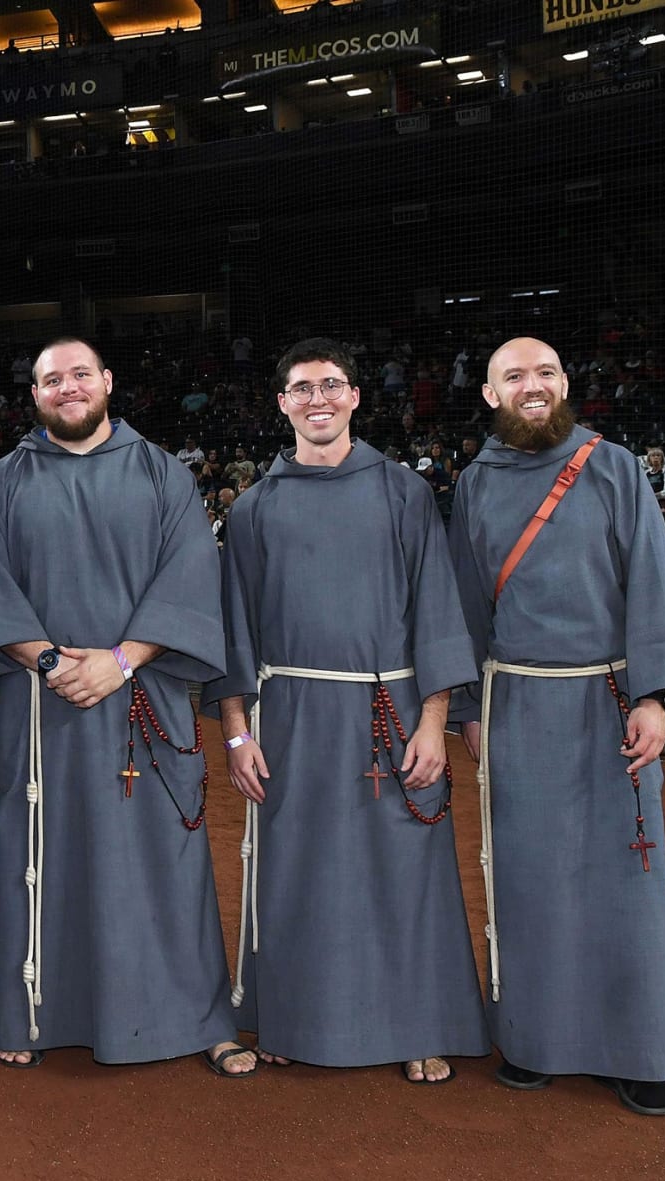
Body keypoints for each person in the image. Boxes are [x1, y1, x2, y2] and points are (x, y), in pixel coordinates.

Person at [0, 338, 250, 1073]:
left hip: (142, 699)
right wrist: (53, 660)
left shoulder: (163, 475)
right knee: (44, 856)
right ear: (34, 396)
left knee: (164, 856)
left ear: (108, 382)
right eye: (50, 379)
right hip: (42, 701)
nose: (67, 388)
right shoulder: (0, 482)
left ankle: (194, 1018)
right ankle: (34, 1017)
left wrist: (122, 661)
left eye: (79, 374)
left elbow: (189, 575)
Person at [449, 337, 665, 1117]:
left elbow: (651, 580)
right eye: (514, 377)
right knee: (528, 880)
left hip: (607, 701)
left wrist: (655, 696)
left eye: (545, 374)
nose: (532, 387)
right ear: (492, 394)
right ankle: (536, 1042)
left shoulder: (614, 466)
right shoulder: (475, 483)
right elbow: (466, 601)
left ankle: (633, 1053)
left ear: (563, 384)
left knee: (623, 879)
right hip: (516, 705)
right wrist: (467, 706)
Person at [208, 338, 486, 1086]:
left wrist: (434, 719)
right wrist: (237, 734)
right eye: (302, 389)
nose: (318, 400)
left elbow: (436, 610)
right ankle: (294, 1018)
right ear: (282, 404)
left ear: (356, 396)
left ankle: (419, 1023)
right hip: (290, 714)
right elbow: (234, 631)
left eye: (331, 385)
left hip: (391, 711)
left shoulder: (403, 493)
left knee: (406, 869)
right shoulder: (256, 508)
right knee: (300, 876)